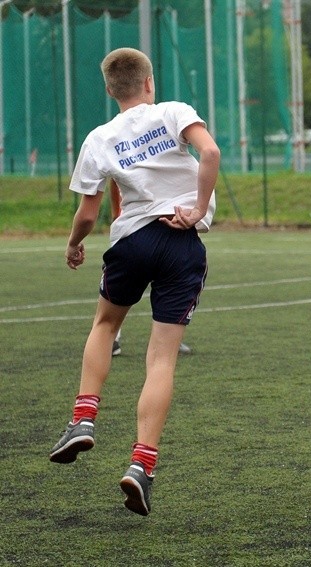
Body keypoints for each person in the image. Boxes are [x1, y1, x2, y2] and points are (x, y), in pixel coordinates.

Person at [49, 47, 219, 516]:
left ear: (110, 90)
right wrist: (199, 207)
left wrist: (73, 244)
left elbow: (88, 212)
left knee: (105, 325)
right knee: (161, 358)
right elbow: (210, 151)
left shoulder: (99, 138)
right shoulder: (173, 111)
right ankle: (141, 465)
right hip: (182, 243)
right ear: (149, 83)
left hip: (132, 239)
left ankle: (83, 418)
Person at [107, 180, 192, 356]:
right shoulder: (127, 155)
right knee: (117, 291)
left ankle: (170, 337)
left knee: (168, 283)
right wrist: (116, 212)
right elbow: (113, 180)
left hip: (165, 222)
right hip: (132, 227)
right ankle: (112, 338)